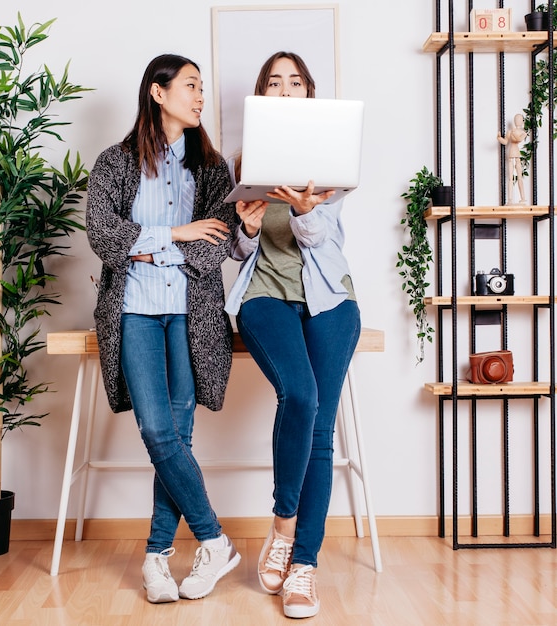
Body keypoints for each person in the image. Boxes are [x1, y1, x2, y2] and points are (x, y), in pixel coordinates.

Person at [86, 53, 239, 604]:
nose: (201, 97)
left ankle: (155, 558)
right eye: (192, 86)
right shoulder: (115, 162)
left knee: (178, 438)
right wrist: (176, 233)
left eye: (203, 88)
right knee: (158, 432)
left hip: (192, 314)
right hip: (132, 311)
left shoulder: (213, 168)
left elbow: (215, 243)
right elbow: (103, 235)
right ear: (158, 91)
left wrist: (148, 247)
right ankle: (214, 541)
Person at [225, 51, 361, 619]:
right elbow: (240, 250)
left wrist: (304, 210)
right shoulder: (245, 160)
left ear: (309, 92)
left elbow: (321, 237)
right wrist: (248, 227)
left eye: (294, 82)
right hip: (265, 297)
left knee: (321, 431)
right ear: (262, 94)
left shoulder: (331, 157)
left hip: (330, 299)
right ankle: (283, 524)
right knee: (299, 395)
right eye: (273, 82)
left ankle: (303, 564)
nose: (285, 90)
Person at [497, 113, 527, 205]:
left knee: (519, 177)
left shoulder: (522, 132)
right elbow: (505, 142)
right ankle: (510, 199)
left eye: (520, 119)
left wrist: (515, 135)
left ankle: (523, 198)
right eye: (516, 119)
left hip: (517, 154)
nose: (518, 121)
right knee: (510, 178)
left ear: (522, 121)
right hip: (511, 154)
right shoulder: (511, 131)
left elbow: (519, 139)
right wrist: (499, 138)